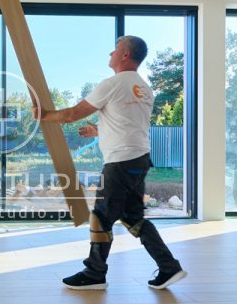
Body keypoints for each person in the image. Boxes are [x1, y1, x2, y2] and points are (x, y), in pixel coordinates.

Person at [33, 35, 187, 290]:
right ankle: (169, 267)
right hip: (139, 159)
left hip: (120, 162)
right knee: (134, 218)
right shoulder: (144, 88)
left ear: (125, 54)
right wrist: (98, 131)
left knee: (101, 216)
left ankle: (94, 273)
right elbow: (127, 123)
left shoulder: (113, 83)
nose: (110, 53)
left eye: (115, 49)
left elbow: (73, 113)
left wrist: (44, 115)